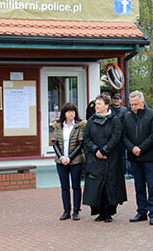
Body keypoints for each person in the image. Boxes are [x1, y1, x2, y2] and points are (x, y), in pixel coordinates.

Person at [82, 94, 127, 222]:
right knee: (96, 186)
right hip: (95, 159)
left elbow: (116, 136)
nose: (96, 106)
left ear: (107, 106)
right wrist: (96, 150)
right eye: (96, 104)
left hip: (111, 158)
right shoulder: (91, 121)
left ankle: (108, 212)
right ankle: (99, 212)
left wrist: (104, 150)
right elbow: (86, 138)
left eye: (99, 104)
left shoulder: (114, 120)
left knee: (110, 185)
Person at [122, 90, 153, 224]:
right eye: (131, 104)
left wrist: (141, 148)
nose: (133, 107)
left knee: (152, 186)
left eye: (136, 104)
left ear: (143, 103)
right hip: (134, 158)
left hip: (149, 157)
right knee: (139, 186)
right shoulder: (127, 117)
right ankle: (141, 211)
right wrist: (132, 148)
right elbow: (124, 136)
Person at [52, 102, 85, 221]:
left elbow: (81, 144)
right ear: (64, 113)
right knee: (64, 187)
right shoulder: (58, 126)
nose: (71, 113)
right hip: (61, 161)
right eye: (68, 111)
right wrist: (61, 157)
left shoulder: (79, 126)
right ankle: (66, 210)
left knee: (76, 186)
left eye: (73, 111)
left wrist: (70, 157)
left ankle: (76, 210)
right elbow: (54, 143)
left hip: (75, 160)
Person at [111, 93, 130, 177]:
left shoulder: (124, 110)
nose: (116, 100)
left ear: (121, 100)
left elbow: (126, 122)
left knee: (123, 155)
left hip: (122, 137)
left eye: (117, 99)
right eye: (114, 99)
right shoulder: (109, 109)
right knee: (113, 155)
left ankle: (124, 172)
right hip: (112, 136)